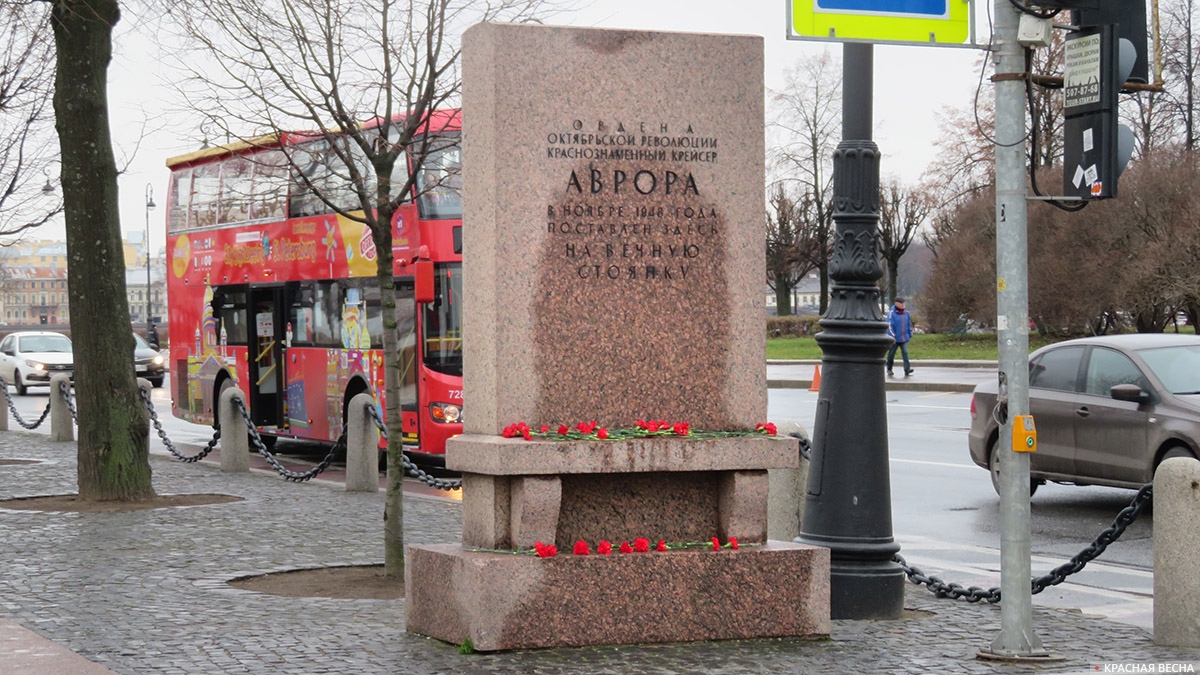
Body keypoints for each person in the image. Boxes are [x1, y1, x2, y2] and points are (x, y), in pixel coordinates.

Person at [886, 298, 913, 377]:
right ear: (896, 303)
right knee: (891, 353)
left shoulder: (906, 313)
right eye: (900, 303)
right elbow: (890, 325)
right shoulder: (891, 313)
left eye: (903, 303)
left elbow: (909, 325)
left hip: (904, 338)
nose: (902, 304)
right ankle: (889, 369)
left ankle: (907, 369)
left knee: (905, 352)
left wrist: (910, 334)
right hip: (894, 339)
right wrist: (892, 336)